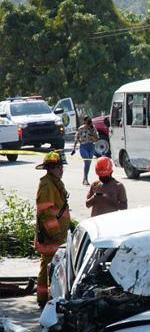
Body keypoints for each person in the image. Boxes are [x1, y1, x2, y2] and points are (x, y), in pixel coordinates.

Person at [34, 152, 70, 308]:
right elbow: (45, 212)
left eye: (62, 167)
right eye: (58, 167)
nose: (61, 170)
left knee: (47, 265)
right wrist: (55, 232)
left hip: (56, 234)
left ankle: (44, 297)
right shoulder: (47, 184)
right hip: (51, 235)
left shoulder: (54, 182)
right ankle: (46, 298)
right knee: (50, 267)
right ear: (50, 168)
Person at [71, 116, 99, 185]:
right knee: (87, 162)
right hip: (83, 146)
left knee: (88, 163)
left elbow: (97, 138)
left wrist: (91, 130)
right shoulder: (80, 129)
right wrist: (74, 149)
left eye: (90, 120)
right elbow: (76, 138)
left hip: (91, 146)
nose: (89, 122)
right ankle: (85, 179)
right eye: (88, 120)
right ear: (84, 121)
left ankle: (85, 178)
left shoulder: (93, 128)